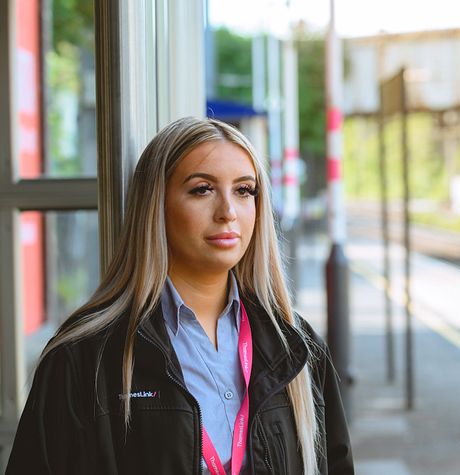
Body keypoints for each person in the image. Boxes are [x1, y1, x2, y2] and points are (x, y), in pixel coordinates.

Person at [6, 117, 354, 475]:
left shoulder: (296, 345)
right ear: (156, 204)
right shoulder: (84, 357)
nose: (228, 212)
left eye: (244, 190)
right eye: (202, 189)